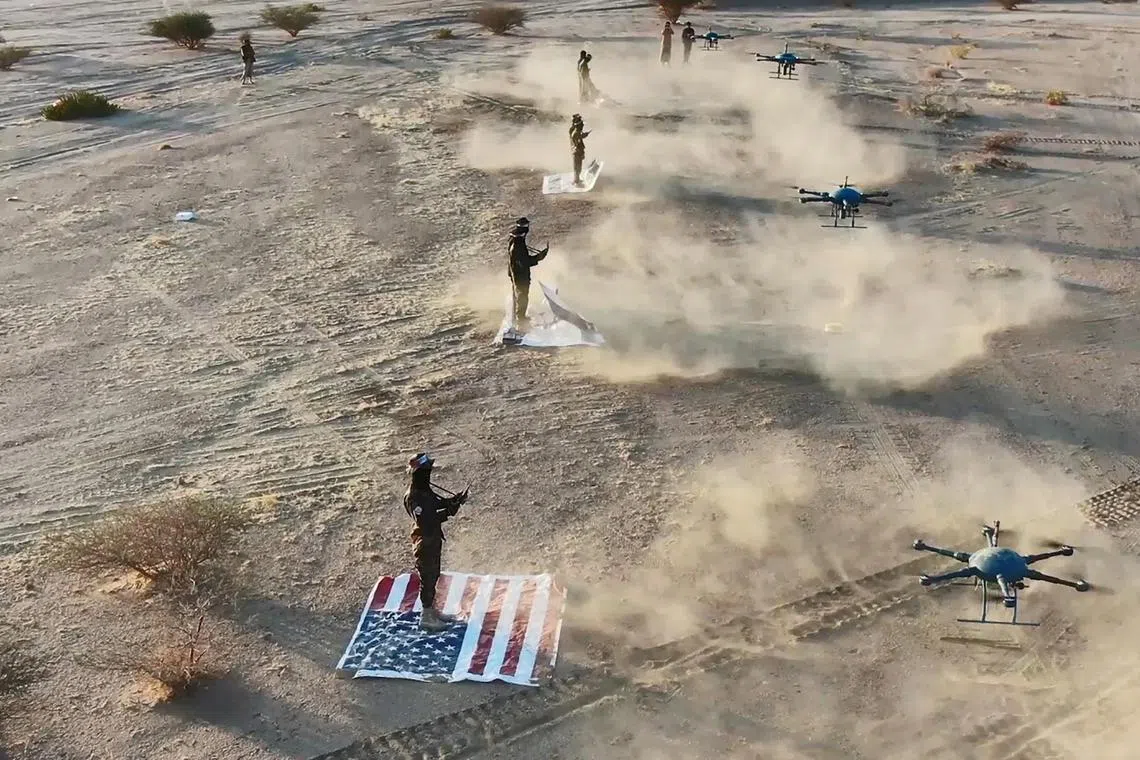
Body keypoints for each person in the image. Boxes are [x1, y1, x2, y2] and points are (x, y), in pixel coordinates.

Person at [404, 452, 468, 633]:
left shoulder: (424, 490)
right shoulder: (414, 497)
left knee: (434, 576)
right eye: (426, 471)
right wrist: (448, 512)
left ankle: (432, 611)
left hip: (432, 539)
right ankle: (426, 617)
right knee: (428, 578)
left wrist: (452, 502)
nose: (429, 473)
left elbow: (435, 504)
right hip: (424, 542)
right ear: (419, 473)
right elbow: (426, 520)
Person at [507, 217, 548, 331]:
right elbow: (525, 262)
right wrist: (539, 257)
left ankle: (517, 318)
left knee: (517, 295)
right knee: (522, 297)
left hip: (514, 273)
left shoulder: (513, 239)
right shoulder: (519, 244)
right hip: (520, 276)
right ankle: (521, 322)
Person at [570, 114, 591, 187]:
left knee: (578, 167)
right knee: (577, 167)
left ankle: (577, 179)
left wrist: (586, 134)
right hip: (577, 152)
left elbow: (580, 136)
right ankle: (576, 181)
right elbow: (578, 144)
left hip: (576, 151)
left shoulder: (575, 131)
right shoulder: (576, 133)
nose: (582, 126)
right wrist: (582, 153)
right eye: (581, 125)